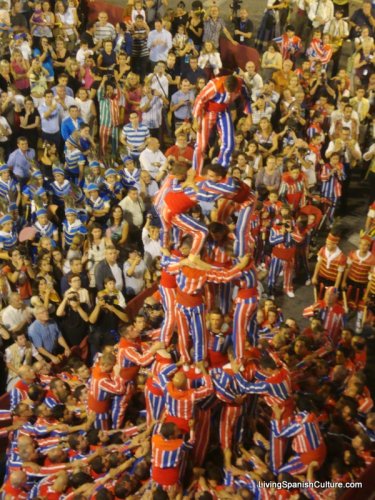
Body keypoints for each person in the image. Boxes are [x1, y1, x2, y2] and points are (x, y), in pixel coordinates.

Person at [192, 75, 251, 175]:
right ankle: (196, 172)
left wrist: (249, 115)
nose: (229, 93)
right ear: (224, 85)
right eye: (227, 90)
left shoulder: (241, 84)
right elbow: (199, 99)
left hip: (224, 111)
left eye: (232, 92)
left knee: (230, 143)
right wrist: (195, 119)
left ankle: (220, 169)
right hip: (207, 111)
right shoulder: (214, 85)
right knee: (201, 146)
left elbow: (247, 97)